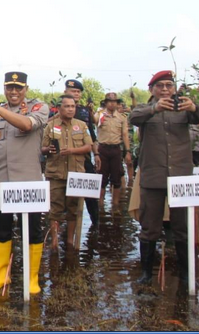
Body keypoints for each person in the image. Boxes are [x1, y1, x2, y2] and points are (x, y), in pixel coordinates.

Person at [129, 70, 199, 286]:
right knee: (149, 228)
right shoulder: (144, 109)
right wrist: (154, 109)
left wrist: (194, 107)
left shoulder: (183, 107)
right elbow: (133, 118)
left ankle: (186, 273)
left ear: (174, 88)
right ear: (151, 89)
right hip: (153, 177)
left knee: (182, 228)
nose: (165, 90)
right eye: (160, 86)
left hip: (181, 178)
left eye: (168, 85)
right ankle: (146, 273)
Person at [0, 72, 48, 293]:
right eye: (10, 88)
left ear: (26, 89)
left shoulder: (38, 108)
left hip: (29, 183)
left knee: (33, 232)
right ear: (5, 88)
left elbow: (26, 125)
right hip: (1, 182)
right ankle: (1, 275)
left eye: (18, 88)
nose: (14, 92)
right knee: (0, 230)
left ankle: (32, 278)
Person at [41, 95, 92, 249]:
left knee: (73, 208)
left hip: (75, 173)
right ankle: (55, 242)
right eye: (67, 106)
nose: (70, 109)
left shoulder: (82, 125)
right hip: (55, 173)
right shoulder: (50, 126)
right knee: (54, 209)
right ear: (59, 108)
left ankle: (70, 241)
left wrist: (72, 151)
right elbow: (42, 148)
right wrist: (48, 149)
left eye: (73, 106)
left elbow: (89, 146)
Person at [64, 79, 100, 225]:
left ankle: (95, 223)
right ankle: (66, 227)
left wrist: (96, 155)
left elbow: (92, 135)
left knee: (90, 193)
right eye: (73, 91)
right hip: (64, 159)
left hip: (84, 158)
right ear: (65, 91)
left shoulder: (85, 111)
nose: (76, 94)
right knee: (66, 196)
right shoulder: (56, 110)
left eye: (78, 92)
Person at [95, 92, 130, 210]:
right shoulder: (100, 115)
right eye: (109, 101)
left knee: (117, 177)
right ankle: (100, 205)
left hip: (115, 149)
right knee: (101, 177)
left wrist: (128, 151)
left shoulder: (121, 118)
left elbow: (125, 135)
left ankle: (115, 205)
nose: (112, 104)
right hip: (102, 148)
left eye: (114, 101)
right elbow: (93, 120)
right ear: (105, 103)